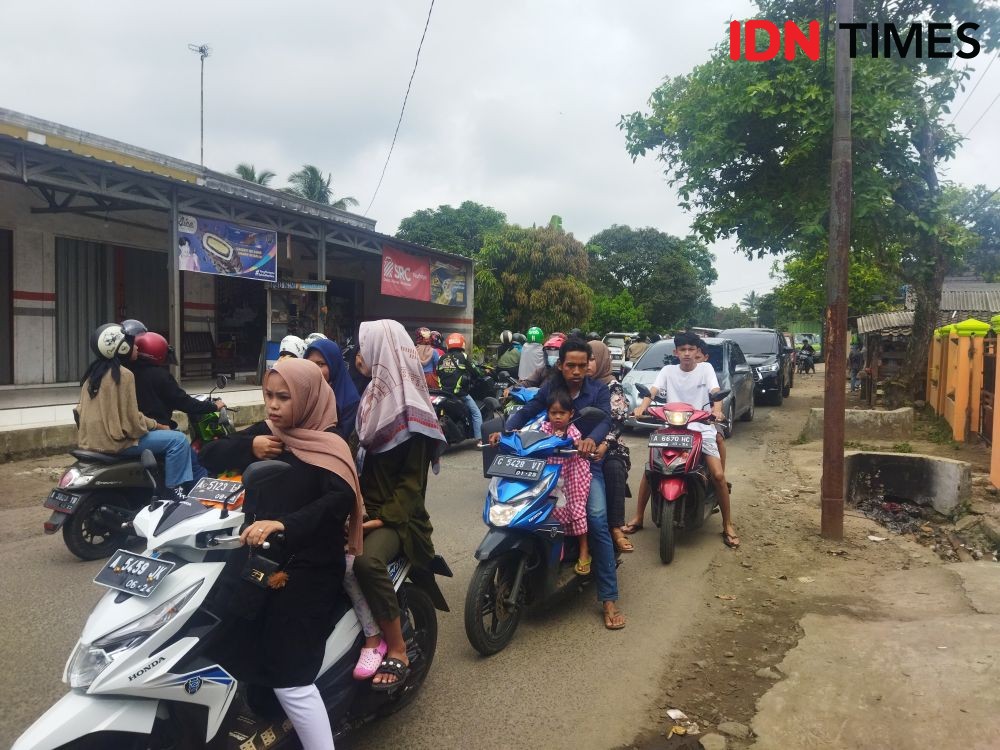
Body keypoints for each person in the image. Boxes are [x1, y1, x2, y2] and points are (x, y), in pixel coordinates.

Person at [198, 358, 365, 750]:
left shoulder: (329, 444)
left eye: (284, 397)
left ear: (306, 397)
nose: (273, 405)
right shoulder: (269, 434)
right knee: (229, 628)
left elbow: (338, 501)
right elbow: (209, 455)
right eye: (268, 395)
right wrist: (248, 446)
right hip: (262, 553)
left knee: (289, 673)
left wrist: (284, 524)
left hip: (310, 563)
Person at [492, 338, 626, 630]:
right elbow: (527, 411)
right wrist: (506, 429)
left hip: (585, 465)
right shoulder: (551, 388)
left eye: (582, 365)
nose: (576, 371)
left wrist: (593, 440)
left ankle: (609, 599)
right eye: (570, 365)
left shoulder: (599, 390)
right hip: (549, 462)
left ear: (589, 364)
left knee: (597, 519)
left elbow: (604, 420)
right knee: (520, 508)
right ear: (560, 365)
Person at [350, 319, 448, 689]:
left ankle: (397, 646)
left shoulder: (412, 411)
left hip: (398, 518)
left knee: (364, 560)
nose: (360, 354)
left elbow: (411, 488)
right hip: (360, 507)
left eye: (366, 346)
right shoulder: (372, 397)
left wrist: (378, 519)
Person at [632, 331, 740, 549]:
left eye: (692, 349)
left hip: (702, 428)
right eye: (683, 350)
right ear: (676, 352)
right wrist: (642, 407)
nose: (688, 354)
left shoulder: (706, 369)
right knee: (650, 470)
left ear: (698, 352)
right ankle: (638, 517)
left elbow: (715, 392)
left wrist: (717, 410)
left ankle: (728, 524)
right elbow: (652, 391)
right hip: (672, 429)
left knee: (718, 475)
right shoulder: (667, 371)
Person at [76, 323, 193, 498]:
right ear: (122, 348)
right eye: (132, 343)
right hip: (115, 443)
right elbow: (131, 421)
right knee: (178, 440)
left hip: (91, 442)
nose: (137, 346)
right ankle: (174, 492)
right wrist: (159, 426)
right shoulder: (123, 375)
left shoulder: (92, 375)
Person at [129, 331, 223, 484]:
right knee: (192, 460)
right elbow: (184, 402)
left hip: (137, 431)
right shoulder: (160, 376)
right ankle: (195, 493)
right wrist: (213, 406)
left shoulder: (127, 373)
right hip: (156, 429)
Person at [588, 340, 633, 554]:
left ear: (603, 361)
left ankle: (615, 527)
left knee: (613, 468)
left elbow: (618, 421)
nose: (586, 364)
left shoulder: (612, 386)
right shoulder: (574, 384)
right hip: (576, 442)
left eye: (592, 358)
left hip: (610, 443)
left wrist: (605, 443)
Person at [540, 389, 592, 574]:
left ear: (571, 414)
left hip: (572, 477)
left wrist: (577, 444)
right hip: (550, 477)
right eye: (553, 413)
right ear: (548, 413)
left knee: (576, 510)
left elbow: (576, 443)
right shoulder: (543, 428)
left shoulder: (573, 432)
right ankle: (556, 544)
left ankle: (584, 551)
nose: (557, 417)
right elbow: (528, 437)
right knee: (548, 511)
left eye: (562, 413)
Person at [305, 338, 361, 442]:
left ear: (334, 365)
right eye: (310, 363)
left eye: (320, 364)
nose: (314, 369)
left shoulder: (350, 401)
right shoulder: (300, 392)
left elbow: (342, 439)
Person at [436, 332, 483, 441]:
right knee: (476, 412)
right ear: (462, 344)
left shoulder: (442, 357)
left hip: (444, 393)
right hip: (460, 393)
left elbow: (438, 373)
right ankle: (479, 440)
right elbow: (475, 371)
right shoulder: (463, 356)